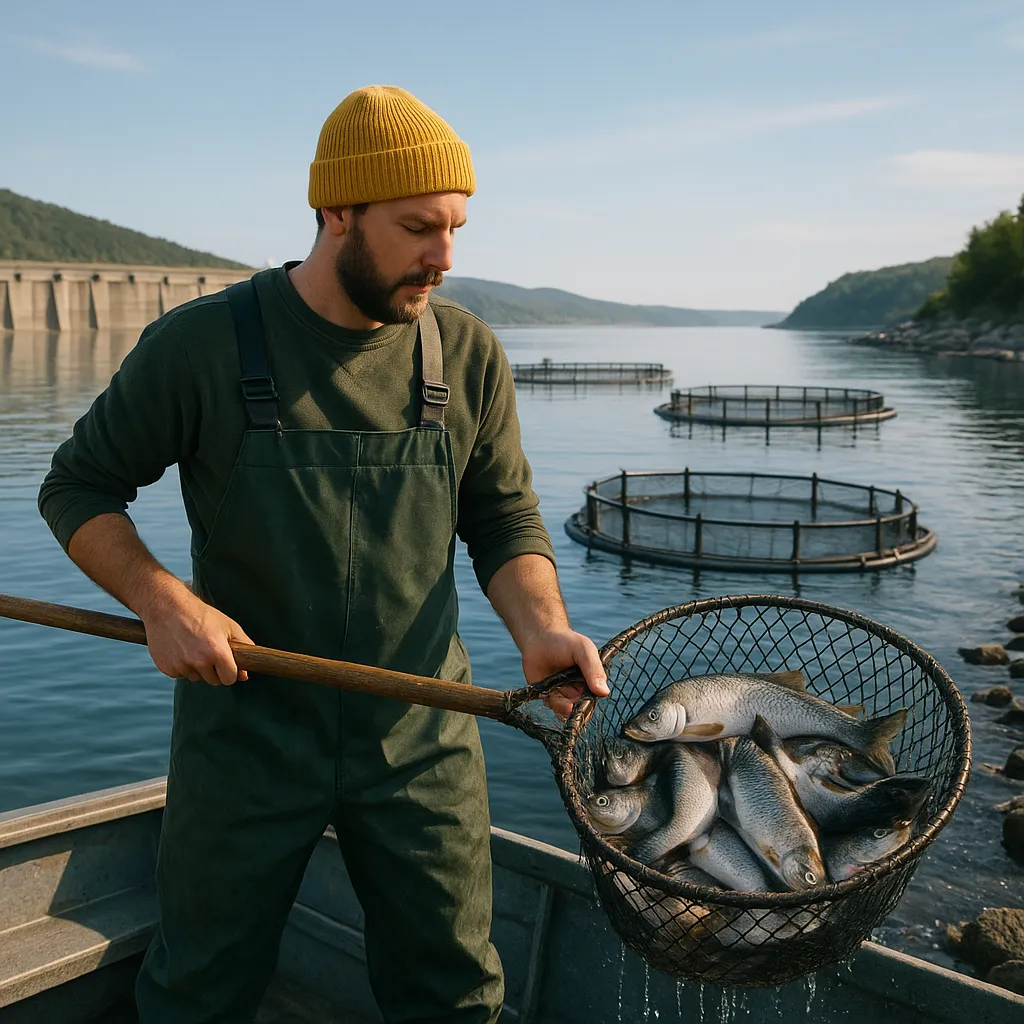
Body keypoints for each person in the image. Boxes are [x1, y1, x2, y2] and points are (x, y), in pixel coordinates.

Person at [37, 85, 609, 1023]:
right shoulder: (200, 345)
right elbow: (77, 487)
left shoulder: (465, 354)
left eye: (457, 226)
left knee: (456, 996)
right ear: (335, 211)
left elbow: (504, 518)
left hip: (422, 735)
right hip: (246, 734)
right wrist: (159, 599)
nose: (446, 255)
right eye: (419, 226)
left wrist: (542, 628)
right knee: (197, 989)